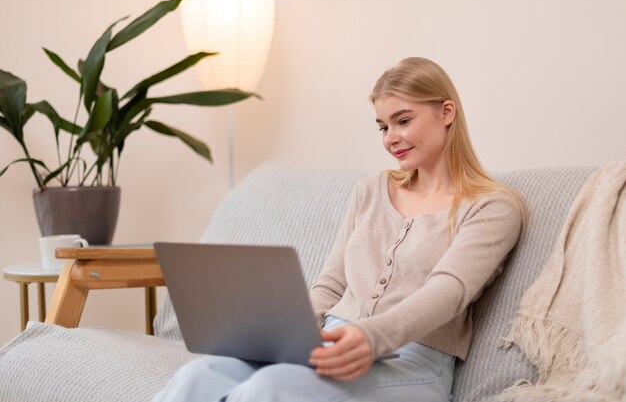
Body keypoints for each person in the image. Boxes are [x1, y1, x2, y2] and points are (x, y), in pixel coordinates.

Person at [152, 57, 526, 402]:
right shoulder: (369, 191)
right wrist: (293, 338)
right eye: (382, 126)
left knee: (270, 388)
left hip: (414, 364)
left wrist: (369, 337)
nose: (390, 137)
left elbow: (449, 292)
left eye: (403, 120)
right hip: (326, 346)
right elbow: (331, 284)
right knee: (199, 375)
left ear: (446, 112)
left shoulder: (492, 207)